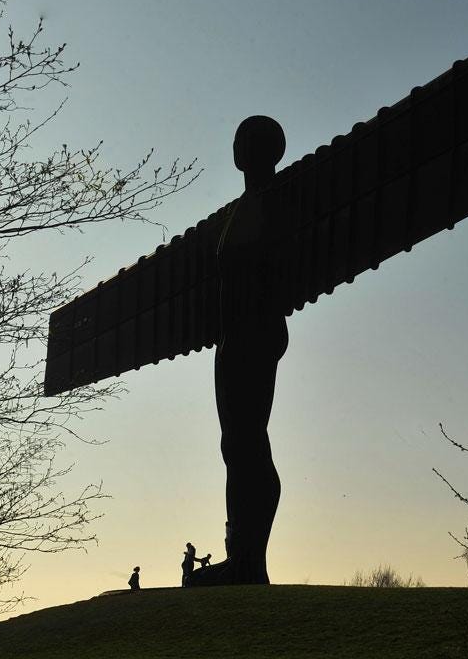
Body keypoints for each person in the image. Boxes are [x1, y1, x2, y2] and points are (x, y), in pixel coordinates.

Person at [187, 116, 287, 587]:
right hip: (232, 341)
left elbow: (274, 271)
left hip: (254, 335)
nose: (235, 147)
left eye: (243, 139)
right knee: (236, 447)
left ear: (262, 149)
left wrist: (263, 326)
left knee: (248, 444)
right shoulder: (241, 209)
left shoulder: (276, 199)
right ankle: (240, 556)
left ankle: (250, 561)